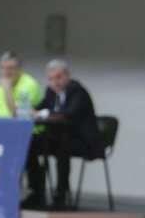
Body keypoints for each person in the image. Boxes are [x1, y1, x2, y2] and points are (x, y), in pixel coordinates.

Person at [27, 59, 102, 209]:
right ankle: (36, 193)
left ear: (67, 76)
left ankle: (61, 196)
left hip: (82, 141)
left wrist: (45, 113)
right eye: (51, 79)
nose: (55, 82)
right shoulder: (51, 92)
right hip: (58, 138)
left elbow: (68, 115)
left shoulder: (77, 91)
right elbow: (37, 110)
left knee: (63, 147)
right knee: (30, 144)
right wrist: (31, 111)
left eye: (59, 77)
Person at [0, 51, 42, 118]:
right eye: (2, 68)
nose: (6, 72)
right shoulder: (1, 86)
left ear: (20, 69)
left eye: (10, 68)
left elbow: (17, 115)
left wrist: (7, 90)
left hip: (21, 124)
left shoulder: (29, 85)